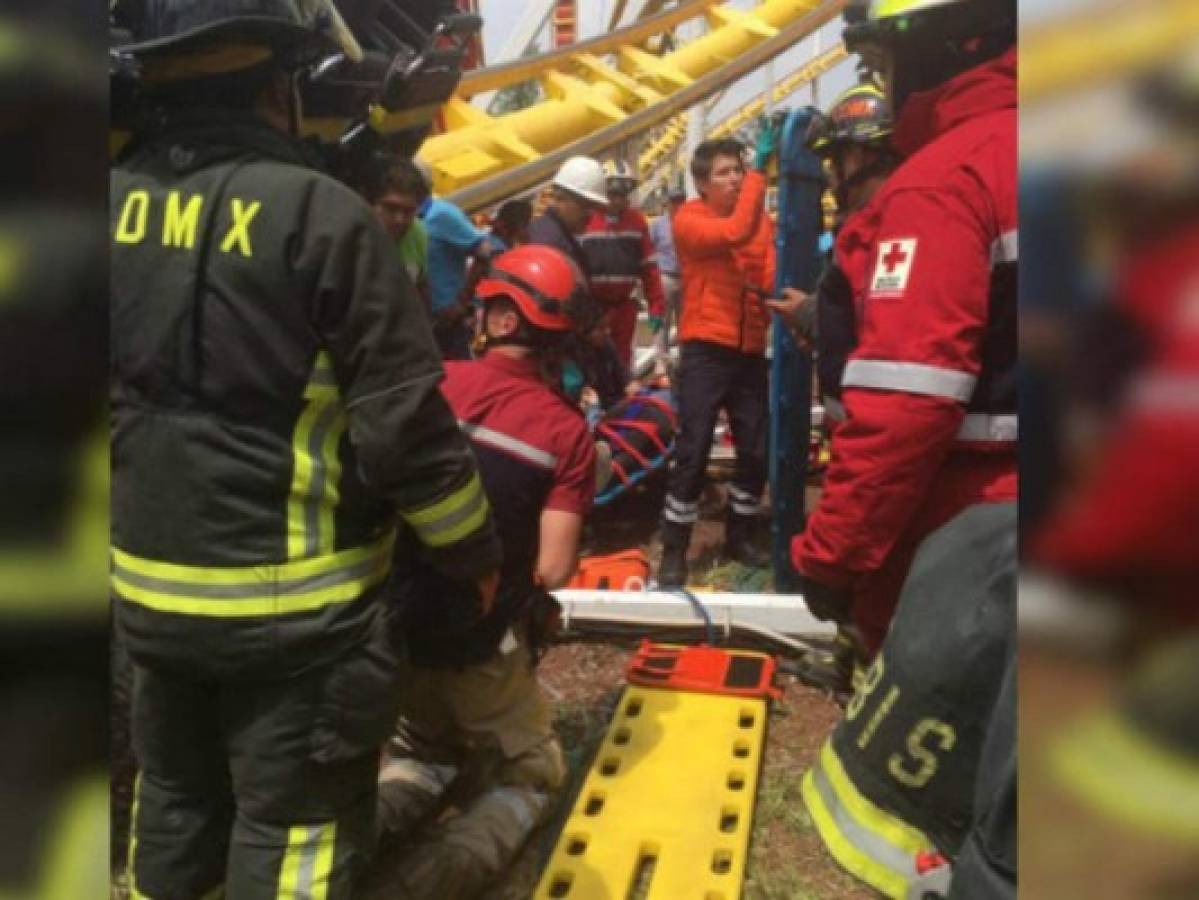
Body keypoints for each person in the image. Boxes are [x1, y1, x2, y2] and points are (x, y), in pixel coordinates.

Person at [109, 2, 502, 897]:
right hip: (297, 617)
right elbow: (406, 429)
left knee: (173, 805)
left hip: (148, 597)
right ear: (279, 88)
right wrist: (472, 555)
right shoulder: (323, 217)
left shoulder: (105, 203)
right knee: (292, 834)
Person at [789, 0, 1018, 660]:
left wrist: (832, 556)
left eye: (880, 63)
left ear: (944, 46)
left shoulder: (944, 181)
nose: (884, 85)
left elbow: (906, 405)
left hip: (971, 540)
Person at [375, 245, 596, 899]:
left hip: (390, 627)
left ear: (498, 319)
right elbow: (553, 567)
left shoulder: (425, 382)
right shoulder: (565, 432)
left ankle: (345, 855)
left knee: (419, 752)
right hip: (479, 642)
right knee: (533, 774)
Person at [656, 132, 778, 586]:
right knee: (693, 448)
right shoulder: (689, 219)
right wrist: (760, 176)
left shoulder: (760, 221)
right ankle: (674, 549)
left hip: (747, 351)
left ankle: (740, 535)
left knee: (755, 448)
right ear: (702, 184)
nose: (735, 179)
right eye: (724, 173)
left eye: (738, 170)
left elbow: (767, 272)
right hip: (706, 348)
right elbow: (734, 231)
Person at [768, 78, 900, 431]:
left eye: (834, 160)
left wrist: (812, 315)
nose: (829, 175)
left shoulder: (890, 228)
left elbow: (887, 329)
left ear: (857, 157)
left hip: (870, 440)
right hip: (855, 432)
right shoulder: (872, 224)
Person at [580, 160, 667, 369]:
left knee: (620, 362)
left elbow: (649, 268)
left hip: (623, 307)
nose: (618, 200)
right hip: (592, 308)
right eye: (613, 194)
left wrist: (656, 307)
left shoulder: (636, 221)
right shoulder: (585, 220)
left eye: (622, 194)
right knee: (590, 362)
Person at [414, 159, 493, 360]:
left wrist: (462, 300)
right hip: (419, 324)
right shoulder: (405, 219)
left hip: (445, 322)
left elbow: (484, 250)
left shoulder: (441, 215)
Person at [527, 155, 608, 276]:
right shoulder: (548, 245)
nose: (591, 215)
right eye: (587, 207)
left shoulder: (556, 236)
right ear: (560, 199)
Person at [365, 156, 430, 303]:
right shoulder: (352, 237)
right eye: (390, 208)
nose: (399, 219)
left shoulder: (417, 233)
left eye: (408, 211)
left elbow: (421, 288)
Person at [649, 186, 686, 347]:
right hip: (665, 276)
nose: (678, 206)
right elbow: (649, 249)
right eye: (674, 202)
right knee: (663, 320)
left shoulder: (689, 223)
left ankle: (686, 359)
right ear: (668, 204)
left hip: (685, 278)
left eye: (680, 202)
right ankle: (662, 360)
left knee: (685, 321)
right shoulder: (658, 225)